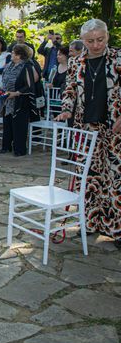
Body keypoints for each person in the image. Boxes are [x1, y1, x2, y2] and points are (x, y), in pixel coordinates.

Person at [56, 19, 121, 248]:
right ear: (83, 41)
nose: (96, 45)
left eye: (100, 40)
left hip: (114, 128)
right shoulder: (76, 62)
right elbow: (70, 90)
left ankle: (117, 229)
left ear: (107, 37)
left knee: (116, 180)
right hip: (86, 128)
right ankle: (91, 223)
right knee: (90, 178)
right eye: (91, 41)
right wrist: (66, 111)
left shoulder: (118, 59)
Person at [0, 44, 36, 156]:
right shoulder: (9, 65)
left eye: (14, 52)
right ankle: (6, 146)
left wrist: (16, 93)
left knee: (19, 125)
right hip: (7, 100)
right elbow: (5, 78)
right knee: (7, 124)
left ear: (19, 55)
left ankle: (19, 149)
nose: (11, 54)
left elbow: (29, 86)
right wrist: (2, 89)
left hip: (20, 101)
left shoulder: (26, 67)